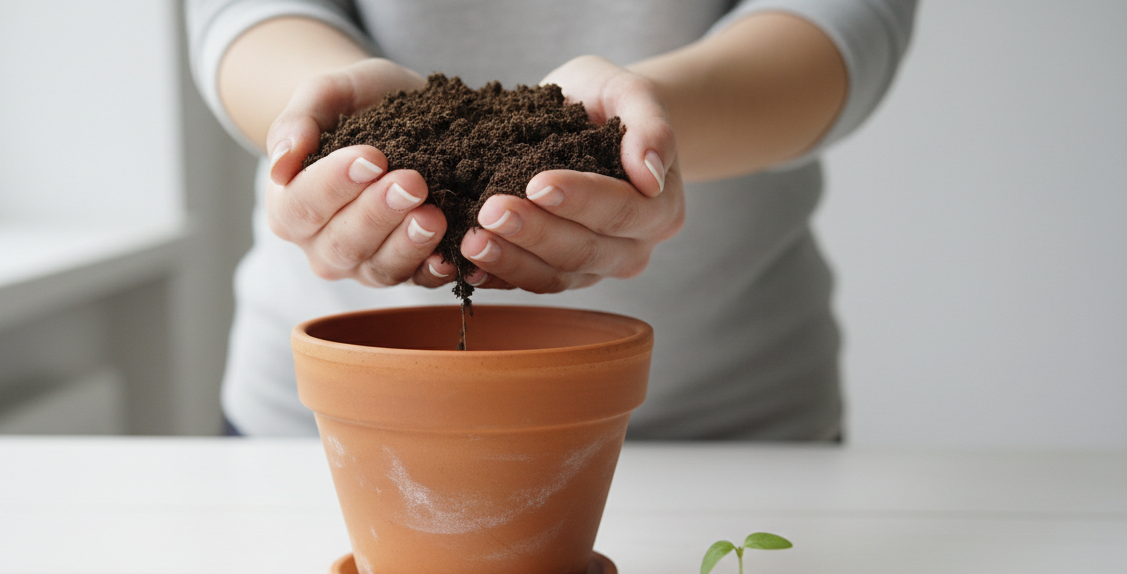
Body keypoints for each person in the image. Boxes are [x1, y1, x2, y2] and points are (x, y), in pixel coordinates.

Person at [186, 0, 917, 439]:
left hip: (726, 425)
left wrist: (652, 125)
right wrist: (317, 121)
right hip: (332, 425)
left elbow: (845, 20)